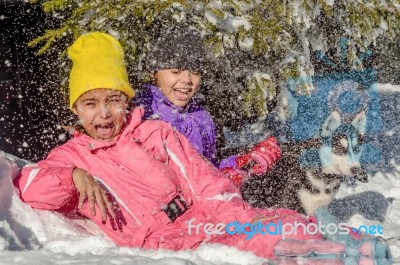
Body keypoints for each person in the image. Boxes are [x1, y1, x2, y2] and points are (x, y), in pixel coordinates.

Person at [14, 32, 322, 259]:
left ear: (126, 101)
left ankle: (348, 248)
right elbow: (31, 187)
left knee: (292, 225)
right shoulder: (71, 156)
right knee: (276, 244)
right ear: (76, 109)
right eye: (91, 103)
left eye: (114, 100)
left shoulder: (155, 132)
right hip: (161, 246)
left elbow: (204, 181)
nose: (104, 112)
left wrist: (245, 218)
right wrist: (72, 177)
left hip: (202, 224)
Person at [134, 26, 281, 187]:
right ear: (155, 73)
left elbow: (208, 167)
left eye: (195, 72)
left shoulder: (199, 116)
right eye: (176, 71)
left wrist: (243, 162)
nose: (187, 80)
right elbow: (163, 184)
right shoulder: (144, 115)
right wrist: (218, 182)